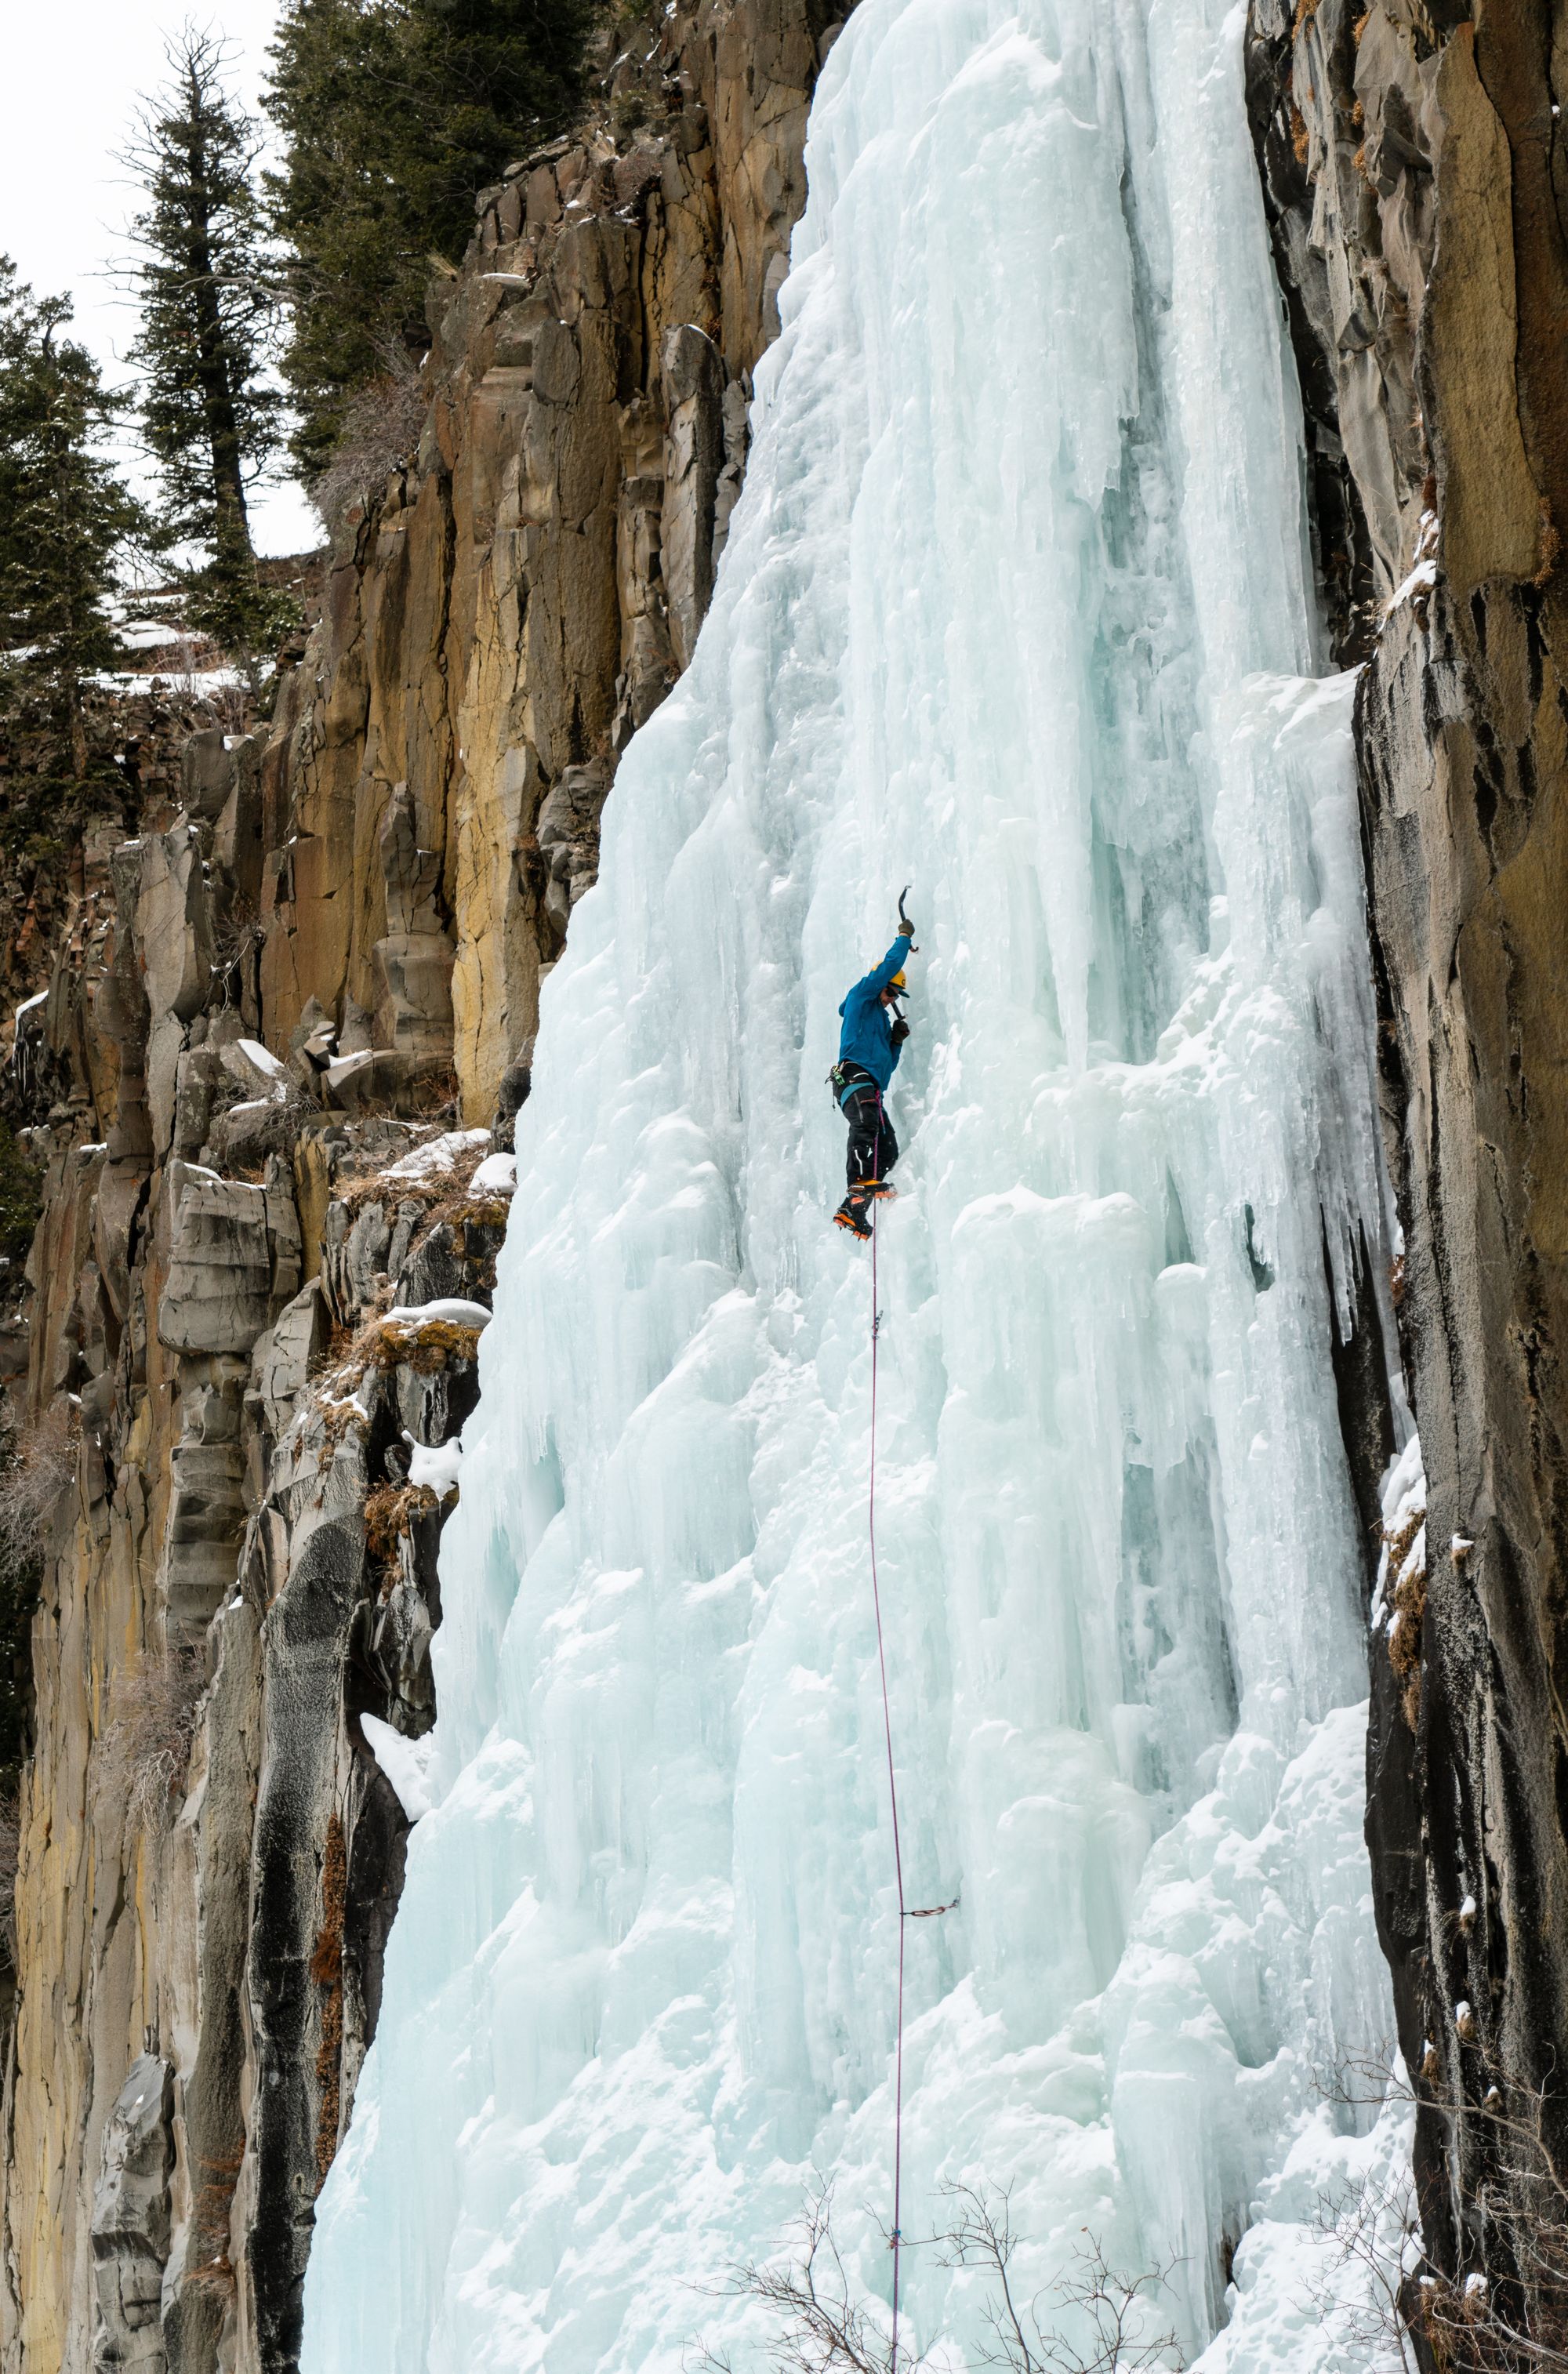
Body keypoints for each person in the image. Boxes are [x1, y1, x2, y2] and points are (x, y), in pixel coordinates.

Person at [830, 913, 915, 1240]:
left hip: (871, 1084)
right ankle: (858, 1182)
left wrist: (895, 1042)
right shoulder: (861, 997)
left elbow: (885, 1070)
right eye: (891, 992)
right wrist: (904, 937)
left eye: (895, 996)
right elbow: (887, 967)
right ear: (881, 986)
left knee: (888, 1149)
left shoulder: (880, 1021)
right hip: (853, 1078)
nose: (892, 999)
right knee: (864, 1124)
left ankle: (854, 1210)